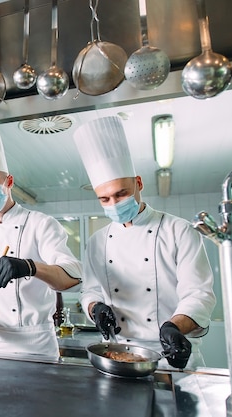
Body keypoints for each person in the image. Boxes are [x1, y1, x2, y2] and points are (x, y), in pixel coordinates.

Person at [73, 115, 216, 369]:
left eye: (121, 193)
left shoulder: (178, 230)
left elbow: (199, 294)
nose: (114, 204)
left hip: (171, 354)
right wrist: (95, 308)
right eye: (104, 199)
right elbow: (90, 290)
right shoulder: (97, 242)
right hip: (120, 355)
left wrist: (175, 327)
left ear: (138, 183)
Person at [0, 126, 83, 360]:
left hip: (37, 346)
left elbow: (73, 276)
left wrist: (30, 266)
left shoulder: (41, 224)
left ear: (9, 181)